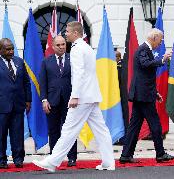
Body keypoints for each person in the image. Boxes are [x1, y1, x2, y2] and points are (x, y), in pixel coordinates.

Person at [32, 21, 115, 172]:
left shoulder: (76, 49)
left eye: (68, 32)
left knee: (68, 130)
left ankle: (52, 161)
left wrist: (75, 96)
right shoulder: (87, 47)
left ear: (75, 33)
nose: (66, 34)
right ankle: (109, 162)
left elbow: (78, 74)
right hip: (92, 96)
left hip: (82, 97)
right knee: (101, 130)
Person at [119, 28, 174, 163]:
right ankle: (160, 154)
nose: (161, 43)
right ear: (154, 38)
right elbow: (145, 65)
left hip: (143, 94)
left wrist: (155, 92)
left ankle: (126, 155)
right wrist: (162, 59)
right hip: (143, 96)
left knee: (134, 126)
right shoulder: (143, 49)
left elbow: (145, 76)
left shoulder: (146, 50)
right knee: (155, 124)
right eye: (161, 40)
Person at [39, 35, 77, 167]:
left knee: (70, 130)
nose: (61, 47)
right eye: (58, 45)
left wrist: (76, 97)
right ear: (53, 46)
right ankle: (54, 158)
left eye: (63, 44)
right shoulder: (46, 61)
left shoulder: (72, 59)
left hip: (70, 101)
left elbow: (78, 80)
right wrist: (44, 100)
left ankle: (72, 157)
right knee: (54, 130)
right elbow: (42, 83)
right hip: (52, 101)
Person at [0, 38, 32, 169]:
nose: (11, 51)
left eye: (12, 48)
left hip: (18, 104)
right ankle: (2, 160)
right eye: (8, 49)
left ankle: (18, 159)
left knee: (18, 133)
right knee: (1, 134)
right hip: (2, 106)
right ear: (1, 50)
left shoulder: (19, 62)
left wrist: (28, 100)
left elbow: (26, 82)